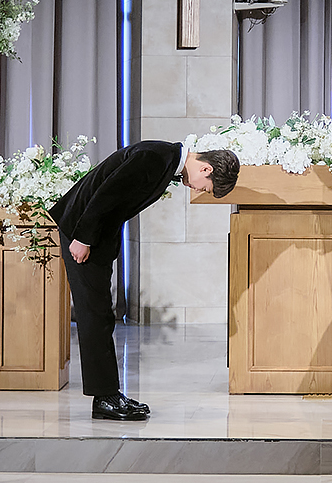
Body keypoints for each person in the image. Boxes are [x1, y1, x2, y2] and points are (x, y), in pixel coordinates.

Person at [49, 139, 240, 420]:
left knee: (100, 314)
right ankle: (105, 399)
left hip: (94, 236)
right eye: (206, 187)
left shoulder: (164, 159)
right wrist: (83, 238)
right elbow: (106, 194)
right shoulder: (154, 157)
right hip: (81, 230)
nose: (199, 190)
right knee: (95, 315)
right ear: (206, 169)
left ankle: (108, 395)